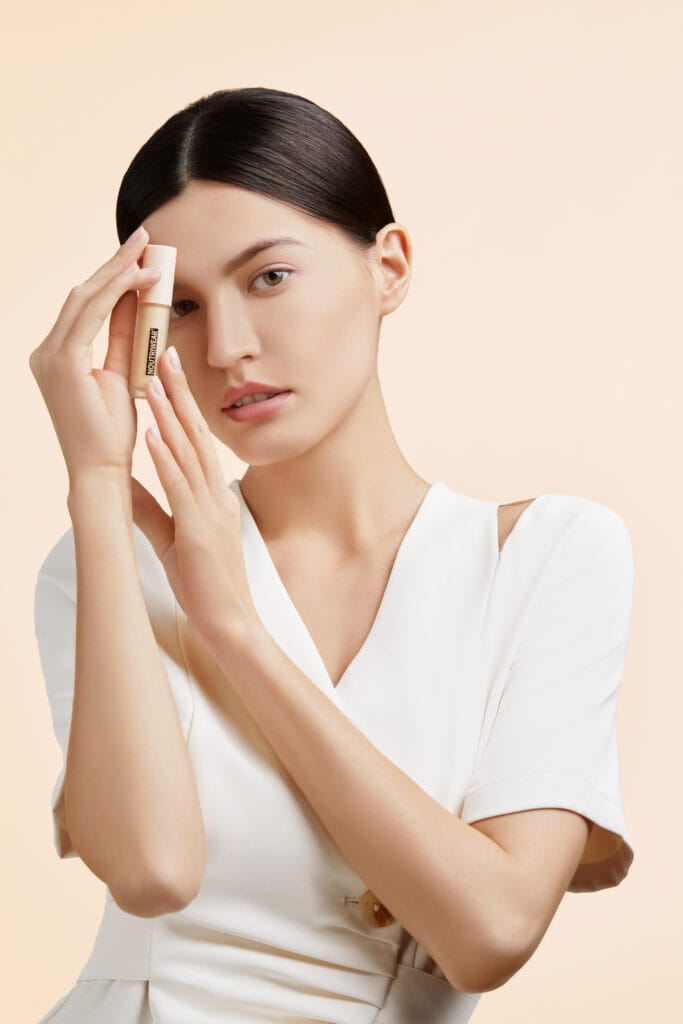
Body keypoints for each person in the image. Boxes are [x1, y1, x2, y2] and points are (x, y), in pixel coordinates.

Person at [30, 86, 636, 1024]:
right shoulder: (109, 558)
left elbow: (490, 932)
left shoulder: (545, 554)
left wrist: (237, 631)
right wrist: (98, 481)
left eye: (269, 277)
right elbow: (152, 872)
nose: (227, 347)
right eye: (180, 306)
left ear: (387, 267)